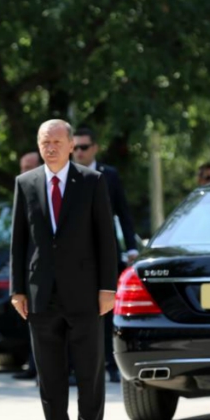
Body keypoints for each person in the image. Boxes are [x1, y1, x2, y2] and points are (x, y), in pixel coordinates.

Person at [10, 119, 118, 420]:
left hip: (86, 293)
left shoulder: (91, 181)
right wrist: (17, 289)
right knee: (50, 377)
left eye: (57, 141)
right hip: (41, 295)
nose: (51, 147)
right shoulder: (25, 183)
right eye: (45, 142)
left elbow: (105, 239)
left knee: (89, 373)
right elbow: (18, 241)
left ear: (72, 145)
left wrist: (107, 288)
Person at [73, 125, 138, 383]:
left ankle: (110, 364)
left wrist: (131, 246)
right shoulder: (66, 175)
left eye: (84, 147)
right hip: (76, 254)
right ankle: (81, 367)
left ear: (95, 148)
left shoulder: (109, 175)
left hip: (106, 250)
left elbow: (123, 211)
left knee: (107, 307)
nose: (79, 152)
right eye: (75, 147)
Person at [13, 151, 43, 381]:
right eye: (22, 167)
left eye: (29, 166)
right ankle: (34, 366)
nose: (24, 171)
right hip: (30, 272)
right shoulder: (22, 189)